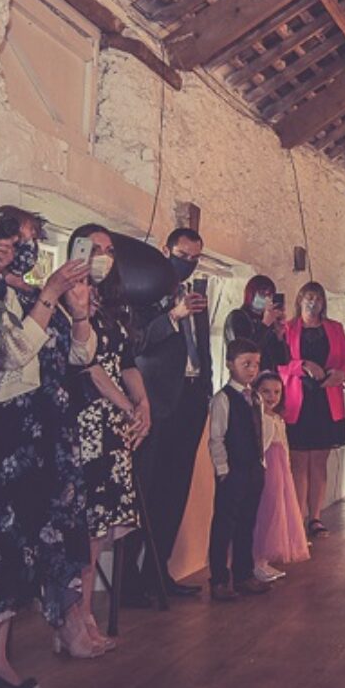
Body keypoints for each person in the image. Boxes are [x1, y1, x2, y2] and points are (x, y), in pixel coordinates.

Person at [0, 211, 101, 688]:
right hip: (8, 436)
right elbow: (10, 354)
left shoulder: (33, 295)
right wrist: (51, 294)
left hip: (48, 432)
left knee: (24, 554)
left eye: (32, 242)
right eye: (21, 240)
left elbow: (79, 360)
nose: (25, 251)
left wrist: (78, 313)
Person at [69, 224, 146, 647]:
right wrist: (125, 405)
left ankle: (86, 618)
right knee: (84, 524)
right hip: (86, 420)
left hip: (115, 423)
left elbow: (126, 360)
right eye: (95, 249)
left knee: (100, 528)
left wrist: (144, 404)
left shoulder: (115, 306)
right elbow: (90, 366)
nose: (103, 255)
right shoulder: (69, 300)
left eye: (109, 250)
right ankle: (75, 620)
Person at [126, 227, 210, 601]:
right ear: (165, 250)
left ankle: (158, 575)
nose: (187, 263)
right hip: (156, 402)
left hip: (191, 400)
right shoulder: (144, 291)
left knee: (174, 492)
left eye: (194, 258)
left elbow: (201, 349)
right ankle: (129, 582)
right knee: (144, 490)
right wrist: (173, 317)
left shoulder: (197, 295)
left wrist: (205, 389)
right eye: (182, 254)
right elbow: (137, 343)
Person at [280, 281, 345, 537]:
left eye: (318, 299)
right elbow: (279, 364)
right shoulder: (287, 328)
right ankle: (297, 517)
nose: (313, 303)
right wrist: (302, 365)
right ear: (300, 300)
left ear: (323, 303)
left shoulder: (334, 328)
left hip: (326, 399)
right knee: (299, 461)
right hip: (297, 401)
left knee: (319, 462)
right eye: (309, 298)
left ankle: (315, 517)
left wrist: (341, 374)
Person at [206, 338, 272, 601]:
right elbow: (216, 437)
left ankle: (244, 574)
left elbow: (261, 431)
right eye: (246, 364)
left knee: (247, 522)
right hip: (233, 471)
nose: (252, 369)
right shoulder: (223, 399)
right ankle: (219, 579)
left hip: (254, 469)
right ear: (230, 364)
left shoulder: (255, 397)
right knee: (225, 524)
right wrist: (223, 469)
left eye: (256, 364)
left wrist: (262, 462)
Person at [251, 370, 305, 580]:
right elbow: (261, 445)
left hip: (279, 471)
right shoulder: (259, 418)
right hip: (266, 469)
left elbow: (283, 446)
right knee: (263, 512)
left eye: (276, 392)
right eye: (265, 392)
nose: (271, 397)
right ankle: (255, 560)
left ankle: (263, 560)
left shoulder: (278, 418)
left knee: (275, 511)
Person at [225, 274, 290, 370]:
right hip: (246, 377)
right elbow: (244, 352)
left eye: (269, 295)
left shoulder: (269, 321)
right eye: (262, 293)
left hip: (269, 377)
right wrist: (265, 325)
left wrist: (279, 336)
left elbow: (283, 360)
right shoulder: (237, 317)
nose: (266, 298)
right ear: (251, 293)